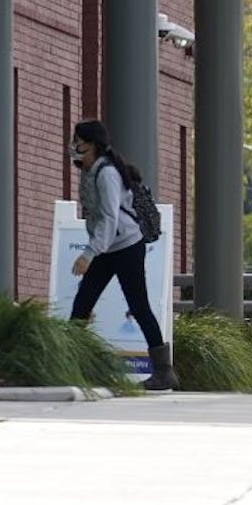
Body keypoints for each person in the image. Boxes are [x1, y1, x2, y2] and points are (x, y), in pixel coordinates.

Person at [68, 120, 178, 391]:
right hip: (108, 247)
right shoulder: (90, 169)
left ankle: (164, 372)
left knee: (138, 306)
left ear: (91, 144)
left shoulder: (106, 174)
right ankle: (68, 365)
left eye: (78, 140)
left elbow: (108, 217)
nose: (74, 145)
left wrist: (88, 253)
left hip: (126, 246)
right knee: (82, 303)